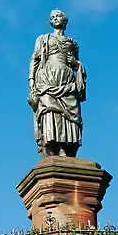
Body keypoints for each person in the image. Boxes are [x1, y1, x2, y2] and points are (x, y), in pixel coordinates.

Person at [28, 9, 86, 157]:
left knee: (71, 115)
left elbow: (77, 65)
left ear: (65, 20)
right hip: (47, 80)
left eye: (58, 16)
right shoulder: (43, 39)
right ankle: (54, 146)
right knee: (50, 111)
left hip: (66, 81)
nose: (55, 18)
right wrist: (32, 83)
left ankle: (66, 147)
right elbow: (35, 60)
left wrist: (76, 63)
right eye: (52, 17)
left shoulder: (72, 43)